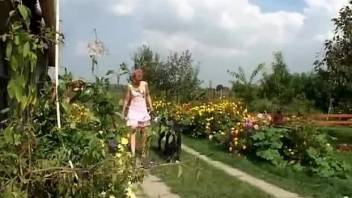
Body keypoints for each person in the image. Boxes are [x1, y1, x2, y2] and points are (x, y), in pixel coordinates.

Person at [122, 69, 153, 158]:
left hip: (142, 111)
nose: (138, 81)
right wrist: (123, 111)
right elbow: (127, 99)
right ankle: (133, 152)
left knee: (144, 132)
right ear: (133, 78)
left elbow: (147, 96)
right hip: (133, 111)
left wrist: (151, 107)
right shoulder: (130, 87)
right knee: (133, 130)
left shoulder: (144, 84)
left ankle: (143, 150)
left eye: (140, 79)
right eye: (137, 79)